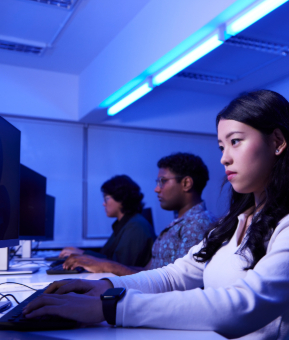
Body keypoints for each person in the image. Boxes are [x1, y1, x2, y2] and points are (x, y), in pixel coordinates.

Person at [23, 90, 289, 340]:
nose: (224, 158)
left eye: (235, 142)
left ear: (277, 142)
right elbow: (175, 276)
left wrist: (112, 307)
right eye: (221, 147)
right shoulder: (234, 223)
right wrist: (105, 287)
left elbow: (244, 305)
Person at [63, 153, 216, 275]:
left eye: (163, 181)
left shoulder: (198, 223)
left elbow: (178, 283)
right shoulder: (180, 222)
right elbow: (148, 273)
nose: (157, 189)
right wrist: (103, 265)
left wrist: (107, 266)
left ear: (186, 183)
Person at [60, 175, 155, 268]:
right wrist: (82, 254)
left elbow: (120, 266)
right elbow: (107, 256)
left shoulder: (136, 226)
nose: (103, 203)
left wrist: (83, 254)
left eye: (106, 198)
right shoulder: (124, 224)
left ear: (121, 198)